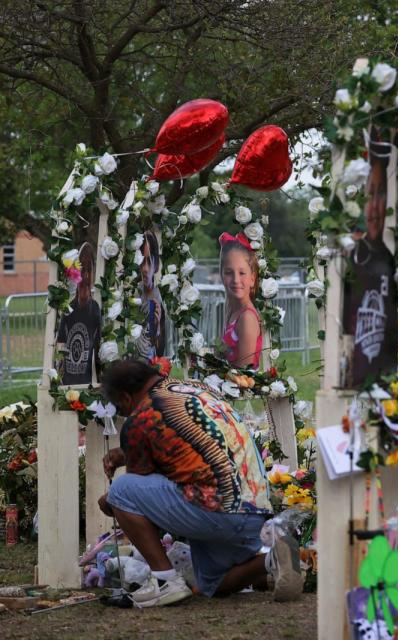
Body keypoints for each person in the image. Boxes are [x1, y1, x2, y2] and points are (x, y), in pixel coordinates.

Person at [97, 359, 302, 607]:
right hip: (255, 513)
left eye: (120, 409)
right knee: (212, 583)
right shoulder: (198, 390)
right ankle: (272, 559)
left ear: (125, 398)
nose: (124, 414)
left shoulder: (142, 416)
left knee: (121, 490)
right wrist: (127, 452)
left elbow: (141, 486)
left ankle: (165, 582)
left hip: (215, 510)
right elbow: (188, 452)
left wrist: (111, 502)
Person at [342, 141, 398, 388]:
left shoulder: (394, 253)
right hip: (354, 370)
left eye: (382, 195)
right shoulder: (354, 255)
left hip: (386, 371)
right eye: (371, 193)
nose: (375, 205)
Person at [56, 243, 101, 385]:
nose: (86, 276)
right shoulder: (68, 310)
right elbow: (60, 344)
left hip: (88, 382)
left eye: (89, 270)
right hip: (69, 383)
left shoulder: (95, 309)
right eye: (82, 271)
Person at [219, 231, 263, 369]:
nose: (236, 280)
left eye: (242, 273)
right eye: (228, 272)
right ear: (221, 274)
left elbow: (243, 377)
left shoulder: (247, 318)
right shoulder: (233, 310)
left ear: (252, 278)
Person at [137, 231, 165, 361]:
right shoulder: (132, 293)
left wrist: (157, 327)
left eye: (149, 261)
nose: (145, 268)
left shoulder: (159, 298)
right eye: (142, 261)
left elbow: (160, 352)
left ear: (156, 265)